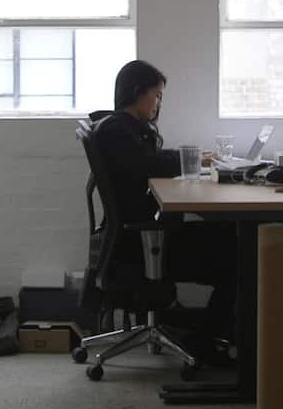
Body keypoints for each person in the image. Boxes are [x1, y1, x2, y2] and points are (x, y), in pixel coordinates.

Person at [91, 60, 237, 353]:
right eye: (156, 94)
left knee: (228, 236)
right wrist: (193, 160)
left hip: (138, 236)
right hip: (139, 243)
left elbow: (149, 161)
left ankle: (210, 334)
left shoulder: (125, 128)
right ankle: (206, 342)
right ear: (137, 92)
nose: (158, 102)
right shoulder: (118, 131)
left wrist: (195, 157)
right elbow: (147, 164)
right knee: (238, 255)